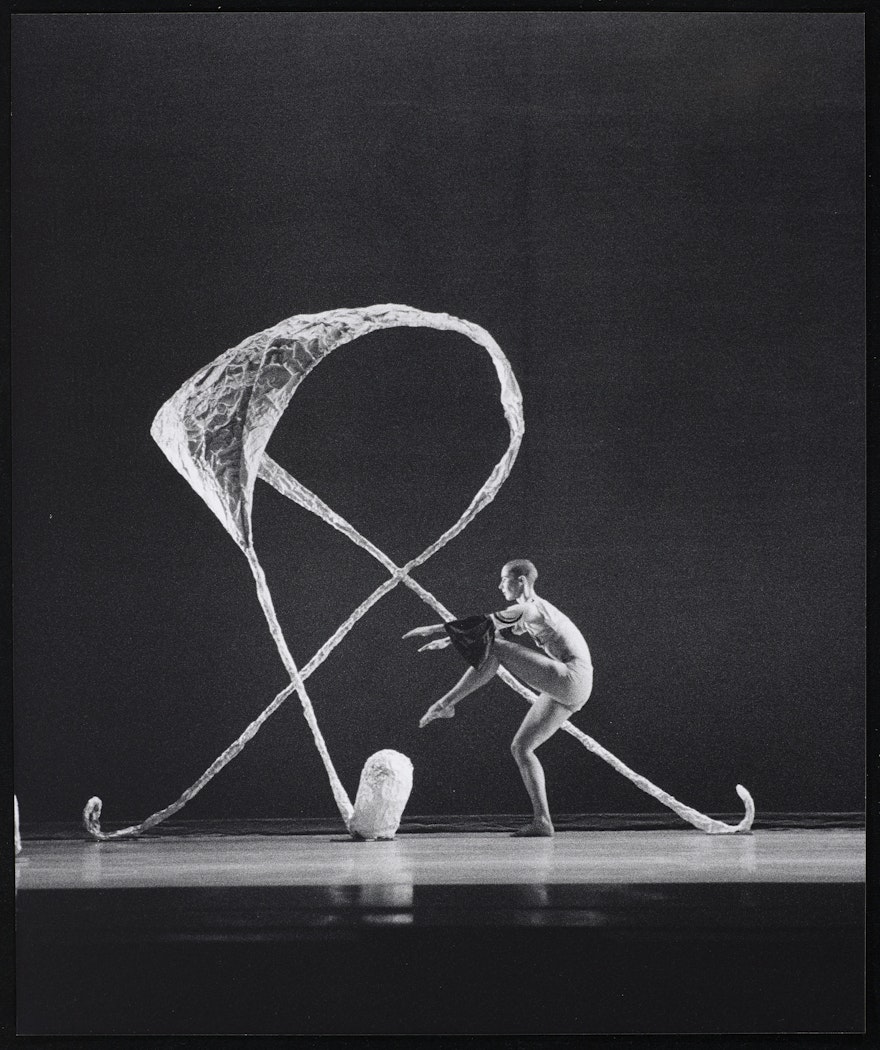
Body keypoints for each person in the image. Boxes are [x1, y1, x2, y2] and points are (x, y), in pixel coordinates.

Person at [403, 559, 593, 837]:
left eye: (505, 579)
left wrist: (432, 629)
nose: (500, 585)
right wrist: (447, 640)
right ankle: (543, 821)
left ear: (522, 582)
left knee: (497, 650)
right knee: (522, 747)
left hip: (572, 677)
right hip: (572, 687)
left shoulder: (529, 608)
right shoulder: (531, 611)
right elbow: (488, 630)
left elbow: (484, 625)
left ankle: (446, 704)